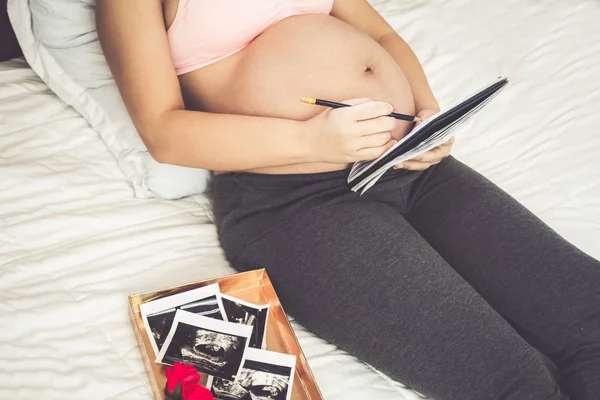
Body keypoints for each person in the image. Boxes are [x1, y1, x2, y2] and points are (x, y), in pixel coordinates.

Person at [96, 1, 600, 399]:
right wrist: (314, 142)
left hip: (405, 163)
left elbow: (380, 37)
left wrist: (425, 113)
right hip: (295, 200)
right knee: (513, 386)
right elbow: (164, 131)